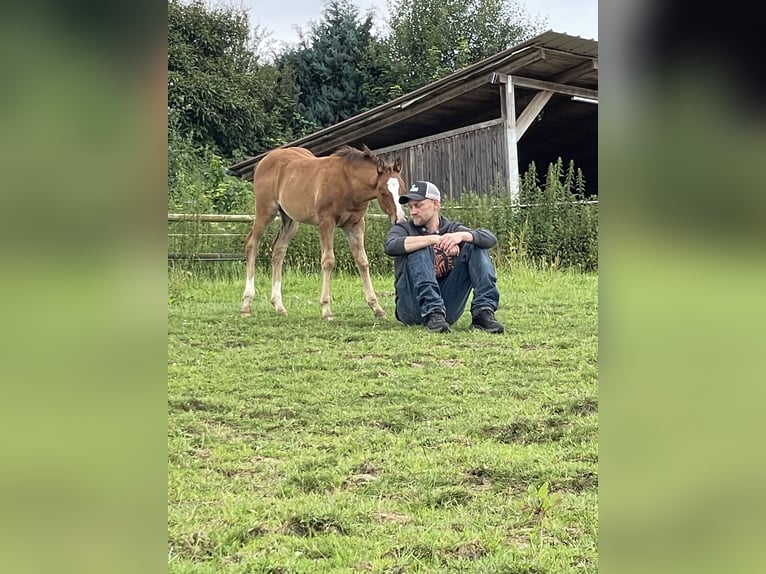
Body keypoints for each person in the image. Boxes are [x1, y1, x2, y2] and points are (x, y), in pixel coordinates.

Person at [384, 181, 505, 333]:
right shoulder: (403, 228)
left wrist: (461, 236)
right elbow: (390, 245)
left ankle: (483, 313)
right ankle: (432, 312)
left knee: (475, 245)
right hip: (412, 308)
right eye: (411, 207)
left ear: (435, 204)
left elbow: (490, 239)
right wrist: (434, 239)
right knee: (420, 247)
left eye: (418, 205)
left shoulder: (451, 229)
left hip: (447, 310)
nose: (413, 211)